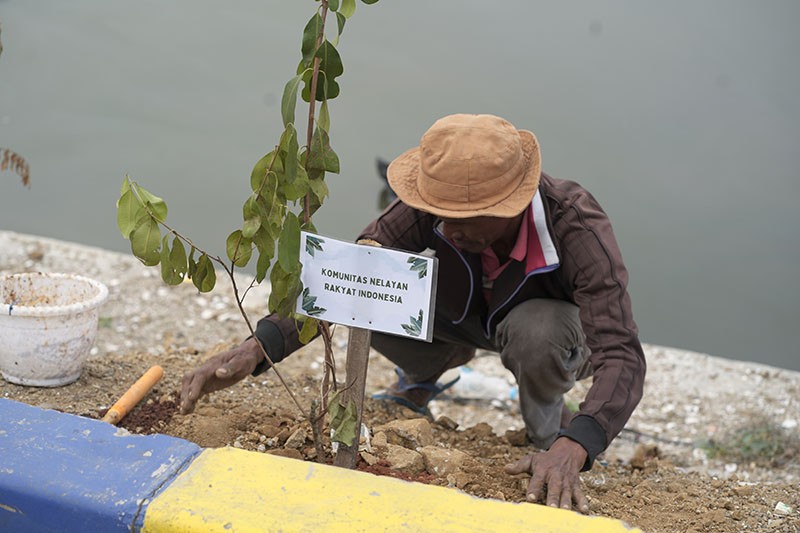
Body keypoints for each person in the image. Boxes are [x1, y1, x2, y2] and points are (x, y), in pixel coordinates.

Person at [179, 113, 645, 513]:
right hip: (465, 317)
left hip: (553, 333)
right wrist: (257, 348)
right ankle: (426, 373)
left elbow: (621, 353)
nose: (448, 227)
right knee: (380, 286)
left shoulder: (575, 225)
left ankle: (550, 437)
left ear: (513, 205)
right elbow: (347, 276)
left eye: (466, 218)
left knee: (535, 332)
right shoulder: (436, 210)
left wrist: (580, 442)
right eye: (439, 214)